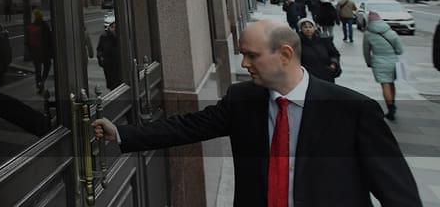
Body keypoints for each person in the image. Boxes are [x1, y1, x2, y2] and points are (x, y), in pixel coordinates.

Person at [91, 19, 420, 206]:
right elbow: (188, 126)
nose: (244, 64)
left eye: (252, 55)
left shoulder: (354, 111)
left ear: (285, 55)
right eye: (242, 55)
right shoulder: (242, 100)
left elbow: (398, 194)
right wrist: (122, 134)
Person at [363, 11, 404, 120]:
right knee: (391, 83)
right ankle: (393, 104)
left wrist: (368, 62)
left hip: (378, 62)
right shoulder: (391, 33)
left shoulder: (368, 34)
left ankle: (390, 108)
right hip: (393, 61)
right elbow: (400, 50)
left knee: (385, 84)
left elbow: (366, 51)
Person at [298, 18, 340, 83]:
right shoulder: (297, 42)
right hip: (308, 76)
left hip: (326, 74)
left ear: (314, 28)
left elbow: (334, 54)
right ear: (301, 29)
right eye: (305, 27)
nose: (308, 29)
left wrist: (333, 64)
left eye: (310, 27)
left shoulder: (324, 40)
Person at [25, 8, 54, 94]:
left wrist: (30, 52)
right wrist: (51, 51)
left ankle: (39, 85)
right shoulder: (44, 26)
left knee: (38, 70)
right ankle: (42, 81)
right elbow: (50, 39)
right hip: (44, 52)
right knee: (47, 66)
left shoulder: (31, 27)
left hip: (34, 52)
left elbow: (27, 42)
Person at [96, 20, 121, 89]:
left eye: (115, 27)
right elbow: (99, 50)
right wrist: (102, 61)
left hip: (118, 65)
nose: (114, 29)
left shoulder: (119, 35)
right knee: (112, 84)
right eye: (112, 27)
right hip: (109, 65)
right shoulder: (104, 36)